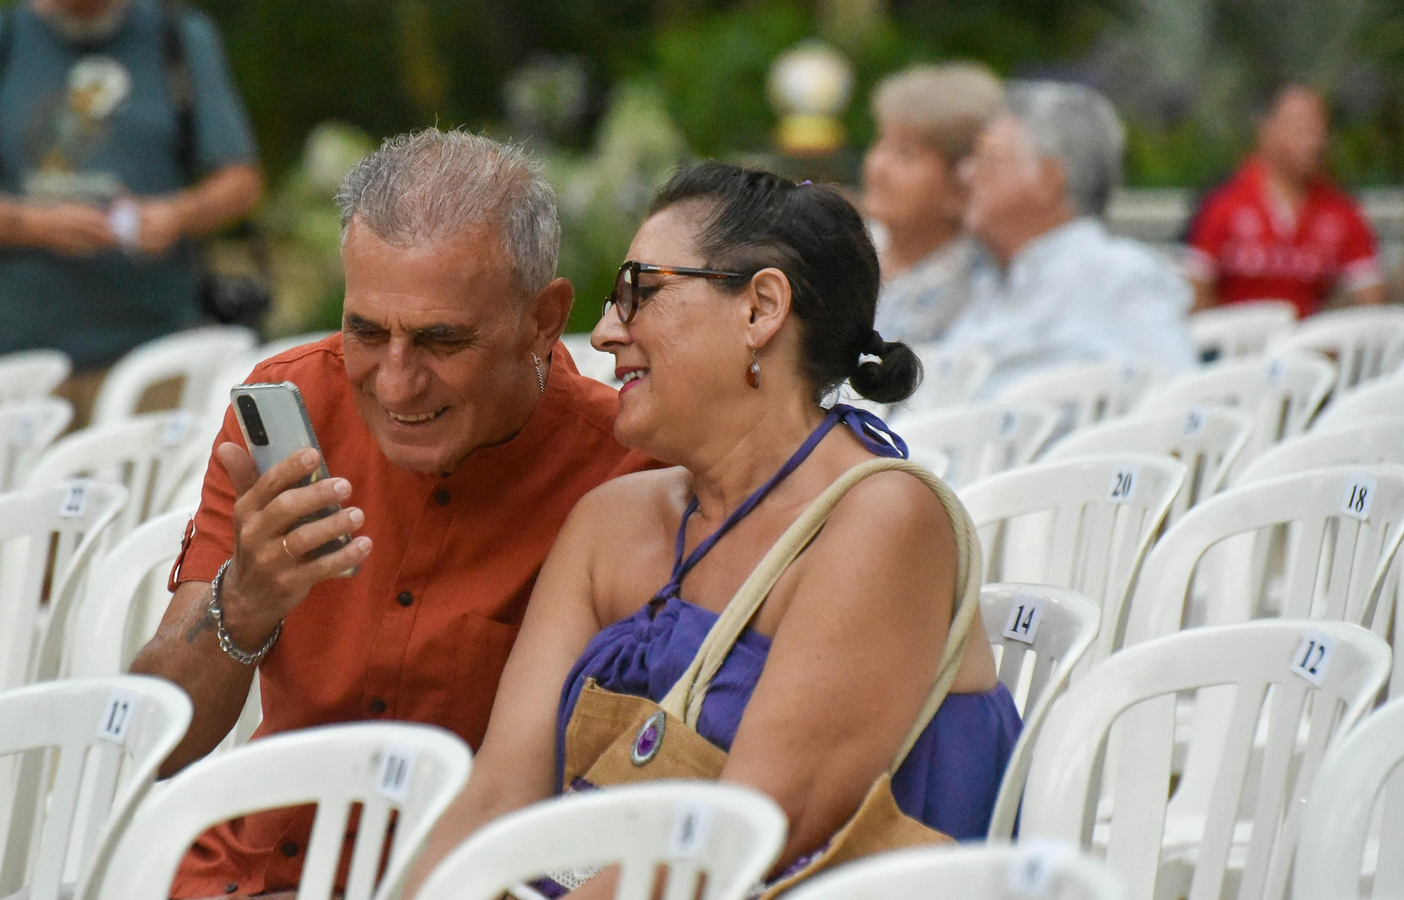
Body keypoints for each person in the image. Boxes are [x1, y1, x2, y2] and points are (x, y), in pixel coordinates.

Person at [406, 162, 1019, 898]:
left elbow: (739, 842)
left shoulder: (882, 519)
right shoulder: (615, 520)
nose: (603, 333)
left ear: (760, 309)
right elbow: (498, 796)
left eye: (640, 293)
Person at [129, 129, 649, 899]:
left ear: (544, 318)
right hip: (252, 874)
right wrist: (245, 602)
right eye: (366, 331)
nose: (397, 383)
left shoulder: (629, 466)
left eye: (441, 340)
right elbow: (154, 745)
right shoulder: (290, 404)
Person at [0, 0, 262, 425]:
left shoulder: (180, 37)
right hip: (13, 360)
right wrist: (33, 224)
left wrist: (176, 215)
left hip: (153, 356)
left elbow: (241, 181)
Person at [944, 81, 1196, 393]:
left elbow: (1179, 400)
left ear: (1048, 179)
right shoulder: (991, 276)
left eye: (987, 158)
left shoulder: (1114, 273)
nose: (965, 173)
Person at [1187, 84, 1385, 317]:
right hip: (1238, 347)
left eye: (1320, 129)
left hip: (1312, 346)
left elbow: (1371, 298)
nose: (1315, 142)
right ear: (1266, 129)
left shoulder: (1340, 209)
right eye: (1301, 129)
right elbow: (1193, 292)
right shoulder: (1221, 201)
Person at [862, 62, 1003, 345]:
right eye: (882, 143)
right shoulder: (852, 247)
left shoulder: (976, 290)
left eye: (905, 155)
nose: (878, 166)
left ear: (963, 183)